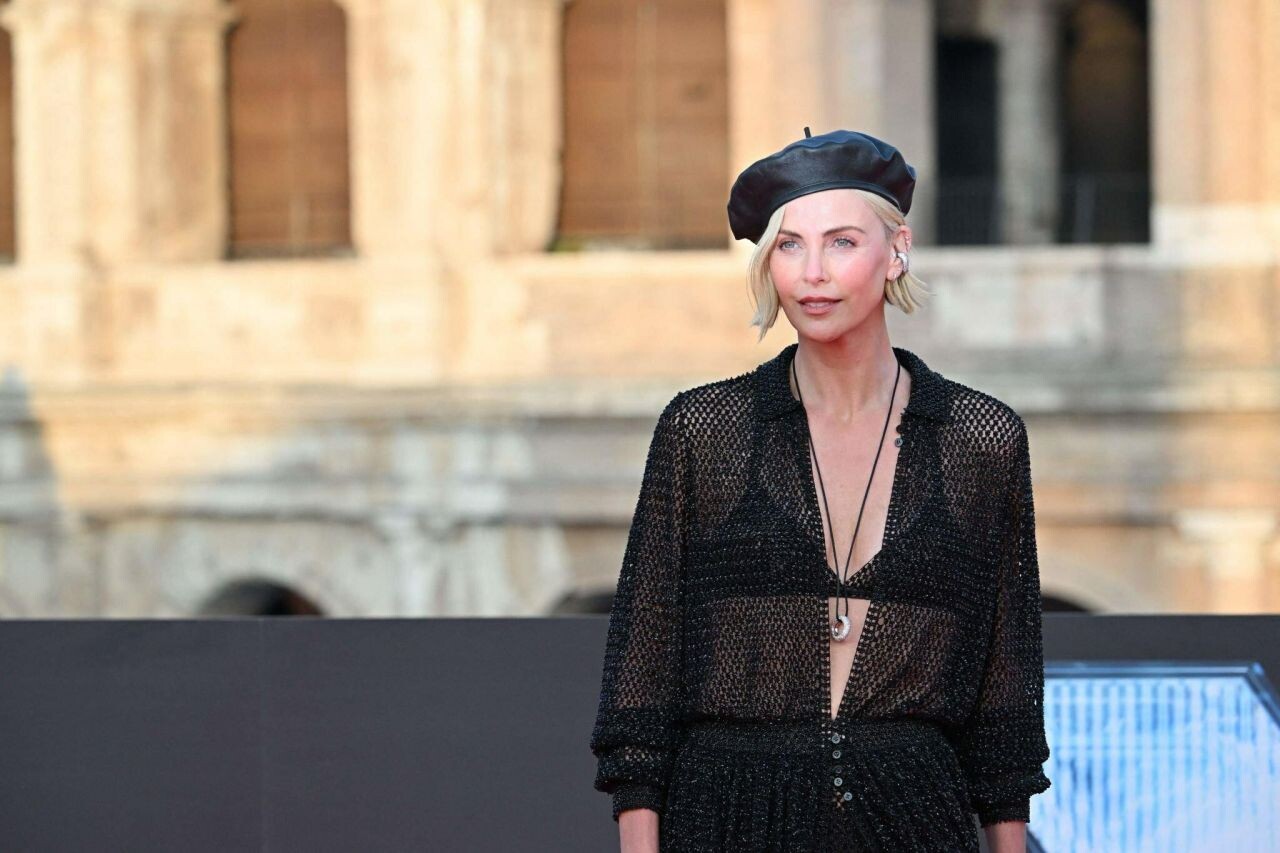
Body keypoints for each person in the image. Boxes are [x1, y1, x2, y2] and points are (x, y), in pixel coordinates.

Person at [589, 129, 1052, 852]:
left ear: (896, 250)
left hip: (916, 821)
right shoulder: (704, 431)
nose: (812, 273)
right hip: (728, 818)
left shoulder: (980, 439)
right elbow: (640, 685)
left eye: (841, 242)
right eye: (789, 245)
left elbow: (1005, 702)